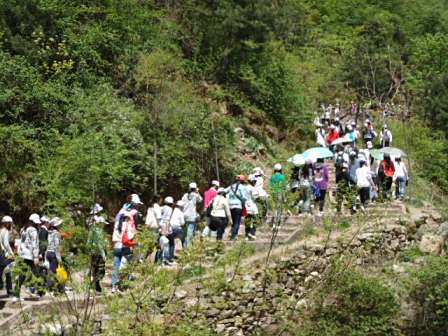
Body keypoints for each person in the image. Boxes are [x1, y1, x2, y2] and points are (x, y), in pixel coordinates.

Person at [14, 214, 41, 301]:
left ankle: (16, 295)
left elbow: (21, 242)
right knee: (36, 273)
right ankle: (40, 292)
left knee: (22, 274)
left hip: (23, 254)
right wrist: (36, 256)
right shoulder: (33, 230)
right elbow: (34, 244)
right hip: (30, 256)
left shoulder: (23, 229)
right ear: (34, 222)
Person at [111, 211, 134, 292]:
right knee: (124, 267)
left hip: (116, 247)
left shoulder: (117, 225)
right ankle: (121, 286)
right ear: (128, 218)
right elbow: (130, 237)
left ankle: (113, 286)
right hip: (125, 247)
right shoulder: (128, 225)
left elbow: (113, 238)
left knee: (115, 267)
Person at [87, 207, 108, 294]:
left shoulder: (92, 230)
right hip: (98, 253)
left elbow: (88, 242)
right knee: (99, 271)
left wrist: (90, 251)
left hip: (92, 253)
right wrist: (103, 254)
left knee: (94, 269)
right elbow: (99, 244)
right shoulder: (99, 231)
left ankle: (93, 287)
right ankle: (96, 288)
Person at [226, 175, 247, 241]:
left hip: (230, 206)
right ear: (242, 181)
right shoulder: (242, 187)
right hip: (238, 206)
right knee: (237, 222)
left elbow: (224, 191)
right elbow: (244, 198)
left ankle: (232, 234)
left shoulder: (231, 186)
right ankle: (234, 236)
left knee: (233, 221)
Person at [46, 217, 63, 293]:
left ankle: (57, 287)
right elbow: (56, 246)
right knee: (53, 272)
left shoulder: (49, 232)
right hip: (53, 254)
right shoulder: (56, 233)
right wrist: (59, 259)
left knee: (53, 270)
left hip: (48, 253)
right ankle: (50, 287)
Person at [0, 216, 15, 297]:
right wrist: (11, 253)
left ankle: (7, 289)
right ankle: (10, 291)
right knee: (8, 272)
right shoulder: (5, 231)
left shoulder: (0, 230)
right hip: (5, 255)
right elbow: (6, 244)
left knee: (2, 272)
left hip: (1, 254)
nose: (10, 225)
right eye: (10, 223)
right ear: (7, 223)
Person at [157, 197, 174, 265]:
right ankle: (167, 258)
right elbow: (167, 220)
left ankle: (159, 259)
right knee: (170, 243)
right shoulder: (170, 209)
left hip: (160, 226)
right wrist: (166, 230)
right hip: (166, 227)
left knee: (161, 243)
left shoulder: (162, 208)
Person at [245, 175, 260, 240]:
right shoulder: (252, 188)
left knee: (247, 220)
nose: (255, 182)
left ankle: (247, 235)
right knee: (254, 220)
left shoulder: (244, 187)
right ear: (252, 181)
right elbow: (255, 197)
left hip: (246, 206)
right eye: (254, 181)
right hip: (252, 206)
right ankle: (252, 233)